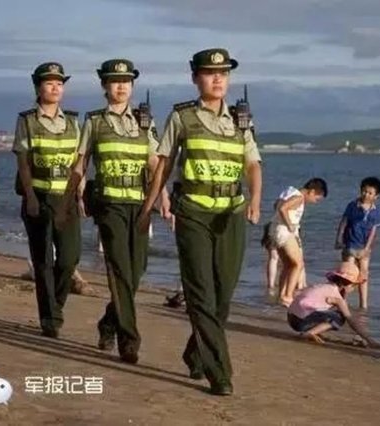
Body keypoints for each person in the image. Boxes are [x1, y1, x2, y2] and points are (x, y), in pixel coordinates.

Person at [137, 48, 262, 396]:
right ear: (196, 78)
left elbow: (253, 164)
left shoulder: (241, 120)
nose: (217, 78)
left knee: (223, 294)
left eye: (223, 73)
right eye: (209, 73)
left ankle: (196, 352)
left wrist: (255, 200)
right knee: (201, 293)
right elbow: (163, 164)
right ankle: (220, 372)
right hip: (192, 212)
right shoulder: (182, 117)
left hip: (230, 215)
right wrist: (149, 206)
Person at [56, 59, 171, 364]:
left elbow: (154, 163)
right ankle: (129, 340)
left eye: (126, 81)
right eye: (115, 81)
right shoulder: (95, 121)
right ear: (105, 86)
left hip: (140, 205)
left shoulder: (144, 121)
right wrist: (67, 200)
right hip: (109, 205)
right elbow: (80, 165)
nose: (121, 86)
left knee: (136, 272)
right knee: (119, 269)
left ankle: (108, 322)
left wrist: (163, 196)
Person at [13, 62, 82, 338]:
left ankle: (56, 305)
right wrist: (30, 197)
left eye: (59, 83)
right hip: (39, 198)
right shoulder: (27, 120)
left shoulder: (73, 121)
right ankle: (49, 319)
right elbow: (23, 163)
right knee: (43, 260)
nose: (55, 88)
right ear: (38, 88)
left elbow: (78, 162)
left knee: (69, 258)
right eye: (49, 83)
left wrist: (80, 195)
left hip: (66, 199)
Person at [287, 261, 378, 347]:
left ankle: (313, 331)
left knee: (324, 312)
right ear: (346, 284)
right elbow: (351, 321)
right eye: (354, 286)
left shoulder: (323, 286)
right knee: (339, 317)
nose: (354, 289)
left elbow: (299, 294)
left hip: (291, 318)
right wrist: (369, 340)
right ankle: (310, 333)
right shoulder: (337, 297)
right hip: (301, 322)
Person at [270, 178, 328, 306]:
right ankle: (288, 296)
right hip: (285, 232)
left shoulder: (289, 191)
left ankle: (282, 295)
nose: (315, 202)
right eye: (316, 199)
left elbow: (277, 205)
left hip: (275, 230)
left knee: (288, 265)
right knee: (298, 264)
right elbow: (283, 208)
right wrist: (290, 225)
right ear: (312, 192)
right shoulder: (299, 197)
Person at [334, 177, 380, 309]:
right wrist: (338, 239)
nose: (366, 195)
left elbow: (373, 231)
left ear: (376, 196)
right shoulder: (352, 205)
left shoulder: (375, 211)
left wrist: (367, 248)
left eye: (370, 193)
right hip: (350, 244)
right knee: (347, 274)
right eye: (364, 191)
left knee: (364, 274)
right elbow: (343, 223)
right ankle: (342, 301)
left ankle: (363, 304)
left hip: (364, 247)